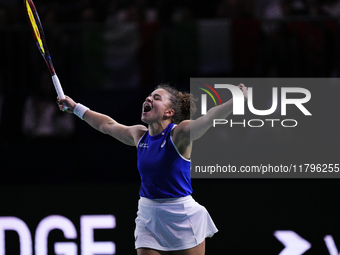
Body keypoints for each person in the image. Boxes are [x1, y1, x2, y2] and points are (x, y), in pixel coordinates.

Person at [57, 83, 248, 255]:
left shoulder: (180, 134)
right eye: (149, 96)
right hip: (149, 216)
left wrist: (234, 102)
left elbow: (207, 119)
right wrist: (75, 108)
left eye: (157, 98)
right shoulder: (139, 135)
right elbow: (107, 125)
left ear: (169, 112)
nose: (149, 98)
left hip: (181, 215)